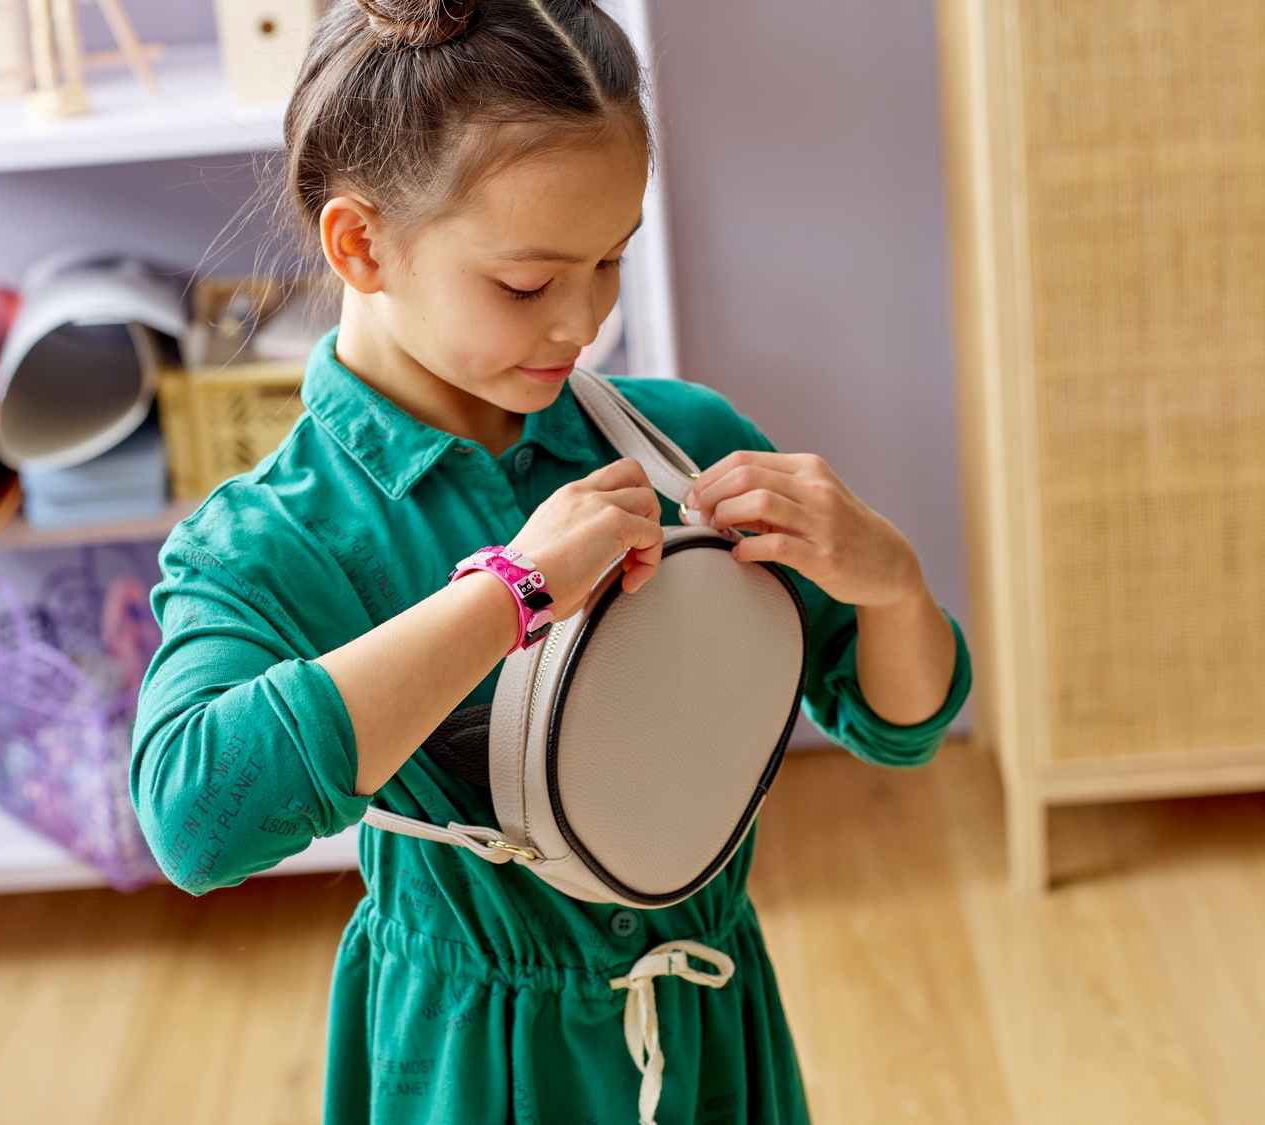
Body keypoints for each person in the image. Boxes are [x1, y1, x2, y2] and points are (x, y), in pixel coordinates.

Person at [132, 1, 971, 1121]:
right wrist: (510, 595)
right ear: (360, 244)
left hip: (706, 1027)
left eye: (612, 261)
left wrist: (894, 587)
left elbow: (901, 729)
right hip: (469, 1064)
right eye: (527, 284)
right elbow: (195, 823)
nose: (585, 323)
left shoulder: (685, 444)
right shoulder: (272, 540)